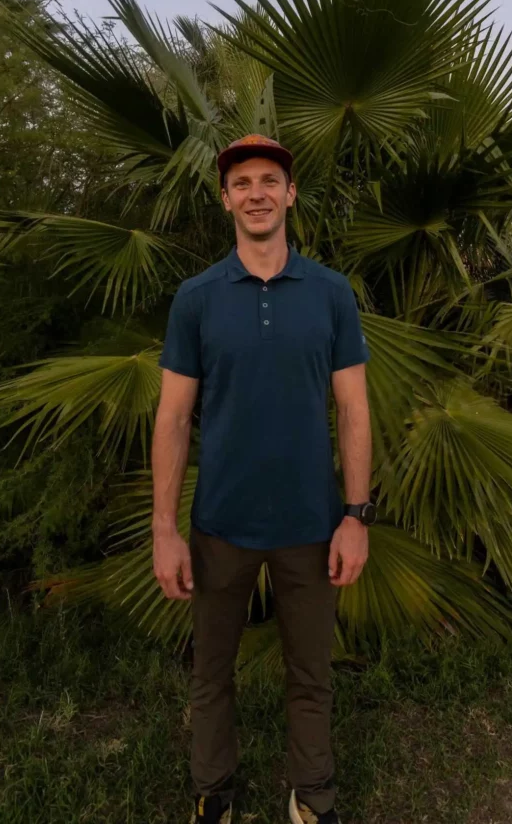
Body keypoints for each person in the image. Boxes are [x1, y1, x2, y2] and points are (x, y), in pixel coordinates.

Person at [152, 135, 374, 824]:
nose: (255, 192)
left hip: (311, 526)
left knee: (310, 676)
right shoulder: (196, 298)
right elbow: (173, 418)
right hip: (220, 525)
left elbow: (353, 410)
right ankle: (212, 789)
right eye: (242, 182)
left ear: (289, 194)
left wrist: (355, 516)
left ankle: (310, 794)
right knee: (210, 673)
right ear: (225, 199)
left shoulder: (331, 293)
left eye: (268, 179)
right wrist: (164, 529)